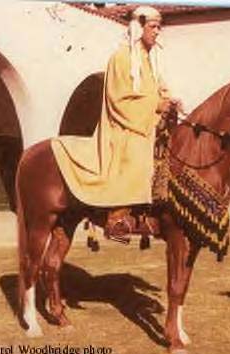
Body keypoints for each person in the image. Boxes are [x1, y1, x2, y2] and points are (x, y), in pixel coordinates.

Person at [51, 6, 180, 239]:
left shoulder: (150, 61)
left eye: (159, 27)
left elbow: (159, 89)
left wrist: (170, 101)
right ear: (138, 28)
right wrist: (155, 106)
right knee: (136, 151)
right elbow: (119, 99)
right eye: (153, 27)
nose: (158, 32)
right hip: (124, 125)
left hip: (145, 122)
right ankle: (117, 217)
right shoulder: (121, 58)